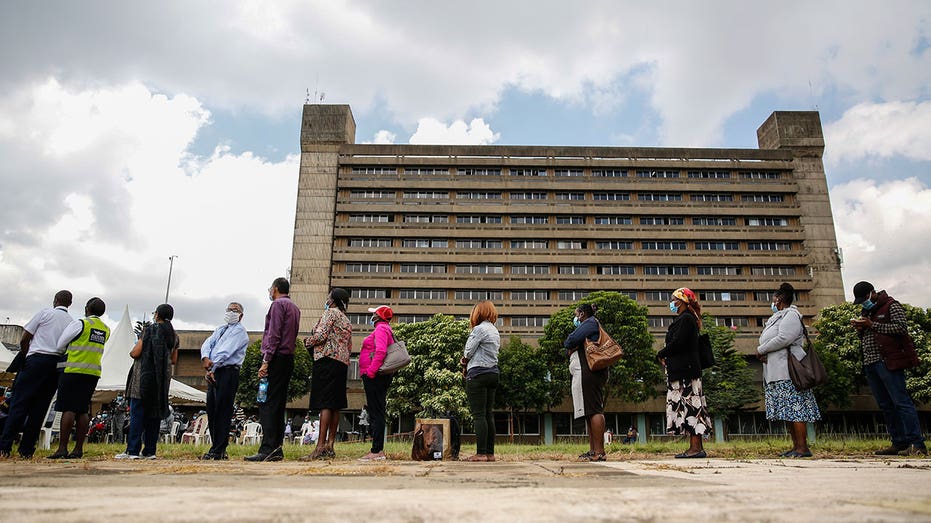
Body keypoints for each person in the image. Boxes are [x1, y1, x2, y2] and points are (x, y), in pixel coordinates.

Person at [851, 281, 927, 456]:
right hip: (871, 363)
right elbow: (870, 334)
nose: (863, 303)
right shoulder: (867, 311)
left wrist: (872, 325)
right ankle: (899, 442)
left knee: (901, 402)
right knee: (886, 405)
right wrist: (861, 328)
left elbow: (901, 329)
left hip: (888, 362)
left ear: (872, 293)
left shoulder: (892, 306)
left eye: (865, 299)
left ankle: (917, 443)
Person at [0, 290, 73, 459]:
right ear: (69, 304)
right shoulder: (71, 322)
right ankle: (26, 449)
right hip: (55, 364)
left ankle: (5, 446)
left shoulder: (45, 313)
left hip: (36, 359)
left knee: (19, 403)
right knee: (40, 408)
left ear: (55, 300)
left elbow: (25, 338)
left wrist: (25, 356)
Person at [756, 283, 821, 458]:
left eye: (773, 299)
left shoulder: (791, 315)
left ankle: (802, 447)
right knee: (787, 410)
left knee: (795, 408)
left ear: (779, 300)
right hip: (777, 370)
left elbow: (784, 338)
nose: (772, 302)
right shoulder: (778, 317)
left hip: (789, 370)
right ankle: (795, 446)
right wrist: (765, 351)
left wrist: (762, 350)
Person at [246, 278, 301, 462]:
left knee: (268, 403)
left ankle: (268, 448)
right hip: (288, 357)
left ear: (276, 289)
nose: (269, 291)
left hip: (276, 357)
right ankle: (276, 448)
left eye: (270, 288)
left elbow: (274, 334)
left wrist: (266, 360)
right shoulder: (294, 307)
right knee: (278, 404)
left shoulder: (278, 305)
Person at [49, 297, 110, 459]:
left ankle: (62, 448)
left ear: (87, 308)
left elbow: (60, 344)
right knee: (82, 410)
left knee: (68, 408)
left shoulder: (80, 323)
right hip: (92, 373)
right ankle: (78, 449)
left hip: (73, 370)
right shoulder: (105, 329)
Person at [116, 303, 178, 460]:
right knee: (154, 416)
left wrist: (134, 348)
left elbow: (135, 352)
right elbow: (174, 359)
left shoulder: (149, 330)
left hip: (142, 379)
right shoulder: (173, 335)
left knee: (137, 415)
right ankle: (150, 451)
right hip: (160, 383)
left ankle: (133, 450)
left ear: (157, 315)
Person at [656, 288, 712, 458]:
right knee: (691, 407)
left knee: (691, 408)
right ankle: (696, 447)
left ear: (680, 301)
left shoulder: (685, 319)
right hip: (684, 370)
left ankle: (695, 448)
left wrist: (661, 353)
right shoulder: (687, 318)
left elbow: (677, 342)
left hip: (685, 372)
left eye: (673, 299)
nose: (671, 303)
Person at [302, 288, 352, 460]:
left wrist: (307, 342)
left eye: (329, 297)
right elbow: (349, 346)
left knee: (325, 402)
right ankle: (330, 445)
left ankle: (319, 446)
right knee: (335, 403)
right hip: (342, 362)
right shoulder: (346, 319)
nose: (327, 299)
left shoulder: (330, 313)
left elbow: (321, 335)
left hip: (326, 359)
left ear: (332, 300)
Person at [200, 302, 249, 460]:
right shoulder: (220, 329)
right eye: (229, 309)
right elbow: (208, 344)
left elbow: (225, 352)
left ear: (241, 315)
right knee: (212, 410)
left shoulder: (240, 332)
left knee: (223, 411)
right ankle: (217, 446)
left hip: (227, 371)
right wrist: (206, 358)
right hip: (214, 370)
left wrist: (212, 368)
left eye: (235, 310)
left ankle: (219, 448)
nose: (231, 312)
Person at [563, 303, 609, 462]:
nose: (575, 318)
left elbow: (570, 341)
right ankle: (593, 450)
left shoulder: (590, 323)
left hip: (589, 372)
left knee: (595, 410)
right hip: (589, 372)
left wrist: (571, 345)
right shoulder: (590, 324)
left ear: (582, 314)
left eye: (576, 314)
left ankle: (599, 451)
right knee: (590, 411)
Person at [461, 301, 501, 462]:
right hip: (493, 373)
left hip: (478, 373)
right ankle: (489, 453)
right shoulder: (494, 330)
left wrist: (463, 362)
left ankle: (480, 453)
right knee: (488, 414)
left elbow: (468, 351)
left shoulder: (478, 329)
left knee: (478, 415)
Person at [358, 305, 397, 461]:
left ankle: (376, 451)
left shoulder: (381, 329)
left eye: (374, 313)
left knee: (376, 413)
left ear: (379, 316)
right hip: (378, 376)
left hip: (375, 376)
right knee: (377, 411)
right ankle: (377, 450)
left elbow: (380, 351)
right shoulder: (385, 328)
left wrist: (371, 372)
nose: (372, 316)